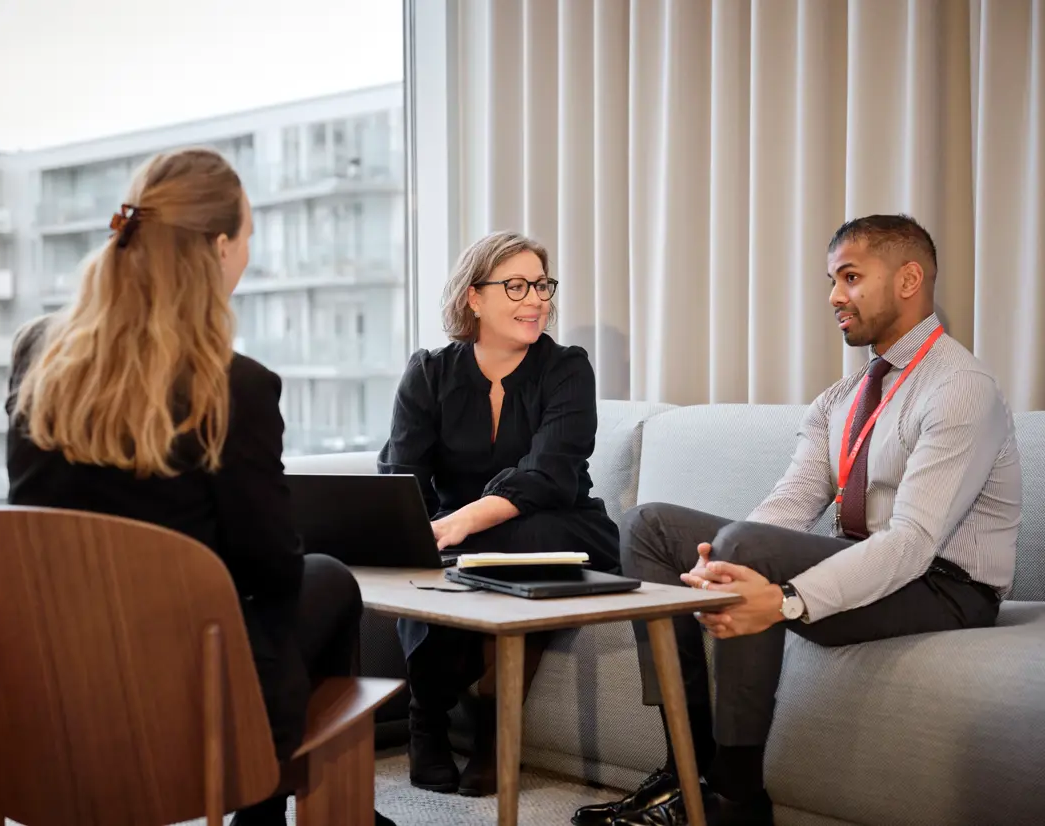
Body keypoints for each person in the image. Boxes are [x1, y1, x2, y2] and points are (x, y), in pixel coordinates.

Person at [573, 214, 1020, 826]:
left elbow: (914, 543)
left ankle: (735, 800)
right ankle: (688, 766)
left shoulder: (960, 387)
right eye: (832, 280)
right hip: (867, 563)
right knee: (648, 525)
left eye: (851, 277)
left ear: (910, 278)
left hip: (945, 587)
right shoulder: (842, 398)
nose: (834, 296)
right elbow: (789, 504)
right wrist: (718, 565)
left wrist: (783, 600)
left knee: (747, 547)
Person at [5, 148, 395, 826]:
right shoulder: (232, 384)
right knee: (328, 579)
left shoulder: (41, 354)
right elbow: (271, 567)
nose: (247, 256)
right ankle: (273, 804)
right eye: (248, 239)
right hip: (183, 696)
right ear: (218, 248)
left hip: (52, 687)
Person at [378, 230, 621, 796]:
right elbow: (402, 473)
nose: (536, 299)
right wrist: (421, 530)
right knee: (434, 555)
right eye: (516, 286)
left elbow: (551, 471)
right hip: (459, 535)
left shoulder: (567, 368)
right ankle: (427, 720)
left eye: (541, 285)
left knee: (513, 537)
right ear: (474, 297)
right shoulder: (429, 372)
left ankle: (491, 733)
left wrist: (461, 521)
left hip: (562, 525)